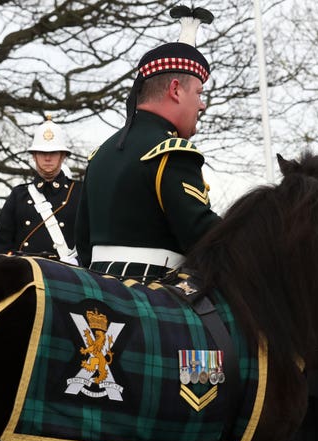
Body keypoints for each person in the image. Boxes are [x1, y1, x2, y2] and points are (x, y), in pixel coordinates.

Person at [75, 8, 219, 282]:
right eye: (199, 93)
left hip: (98, 294)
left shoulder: (100, 154)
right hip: (154, 293)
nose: (202, 104)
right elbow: (204, 238)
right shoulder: (171, 151)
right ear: (175, 90)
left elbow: (83, 242)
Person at [0, 115, 81, 265]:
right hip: (25, 276)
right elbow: (2, 245)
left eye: (53, 153)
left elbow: (90, 239)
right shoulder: (18, 195)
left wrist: (78, 262)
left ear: (63, 156)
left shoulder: (79, 192)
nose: (47, 158)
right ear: (34, 156)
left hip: (69, 274)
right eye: (42, 152)